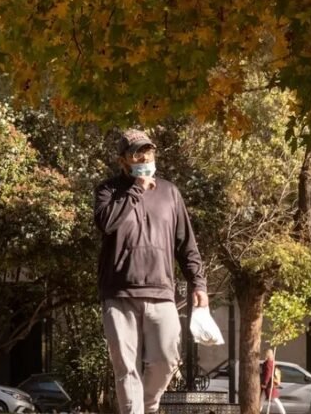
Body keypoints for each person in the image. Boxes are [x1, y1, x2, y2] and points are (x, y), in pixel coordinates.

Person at [95, 129, 209, 414]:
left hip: (161, 292)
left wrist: (199, 283)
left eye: (148, 151)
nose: (144, 157)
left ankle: (147, 406)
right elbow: (106, 224)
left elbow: (186, 244)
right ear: (123, 160)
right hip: (119, 294)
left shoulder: (170, 193)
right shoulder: (108, 191)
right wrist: (136, 189)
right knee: (126, 368)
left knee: (167, 359)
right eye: (136, 153)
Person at [261, 348, 286, 414]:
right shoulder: (272, 362)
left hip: (269, 385)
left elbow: (268, 374)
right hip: (269, 384)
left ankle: (283, 413)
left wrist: (264, 383)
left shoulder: (268, 363)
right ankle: (258, 411)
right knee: (262, 399)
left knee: (275, 399)